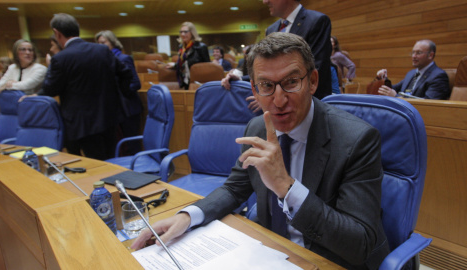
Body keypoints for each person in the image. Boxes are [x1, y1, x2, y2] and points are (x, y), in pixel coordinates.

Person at [131, 32, 389, 269]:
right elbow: (234, 188)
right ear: (254, 89)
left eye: (291, 82)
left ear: (312, 81)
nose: (278, 101)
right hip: (271, 253)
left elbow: (360, 244)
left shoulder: (356, 140)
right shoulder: (257, 126)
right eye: (266, 86)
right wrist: (188, 217)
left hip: (327, 258)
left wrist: (286, 187)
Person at [40, 13, 132, 160]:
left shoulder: (60, 59)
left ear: (57, 33)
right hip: (109, 119)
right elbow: (126, 74)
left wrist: (50, 67)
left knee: (90, 167)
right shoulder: (101, 50)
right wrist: (117, 98)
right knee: (111, 163)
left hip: (80, 126)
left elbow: (50, 90)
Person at [222, 0, 332, 106]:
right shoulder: (272, 29)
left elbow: (317, 68)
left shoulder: (317, 21)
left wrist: (271, 97)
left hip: (310, 105)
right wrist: (241, 78)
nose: (265, 1)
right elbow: (268, 69)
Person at [95, 30, 143, 155]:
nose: (101, 46)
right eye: (98, 43)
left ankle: (137, 171)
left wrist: (117, 92)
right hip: (115, 110)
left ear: (112, 42)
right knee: (119, 145)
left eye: (103, 42)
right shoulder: (103, 61)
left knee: (131, 144)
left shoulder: (123, 58)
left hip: (129, 109)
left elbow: (135, 83)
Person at [377, 39, 450, 99]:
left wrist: (396, 97)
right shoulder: (411, 73)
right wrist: (383, 78)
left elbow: (428, 104)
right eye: (413, 52)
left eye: (418, 53)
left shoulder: (438, 76)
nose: (414, 56)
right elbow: (393, 89)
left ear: (430, 55)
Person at [167, 22, 210, 89]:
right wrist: (175, 65)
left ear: (192, 33)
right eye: (181, 32)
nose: (182, 34)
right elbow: (183, 62)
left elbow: (207, 66)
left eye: (185, 32)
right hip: (185, 80)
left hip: (199, 81)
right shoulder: (182, 47)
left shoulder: (201, 47)